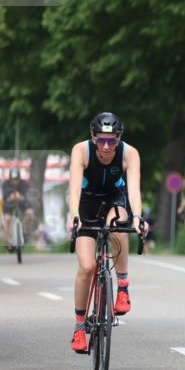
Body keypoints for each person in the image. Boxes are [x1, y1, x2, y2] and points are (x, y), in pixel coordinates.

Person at [65, 112, 147, 354]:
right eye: (101, 140)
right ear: (93, 138)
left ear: (119, 139)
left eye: (112, 141)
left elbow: (133, 191)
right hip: (86, 204)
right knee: (88, 267)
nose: (107, 146)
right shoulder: (80, 151)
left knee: (119, 225)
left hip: (114, 199)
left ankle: (122, 288)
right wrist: (73, 215)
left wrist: (139, 218)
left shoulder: (130, 154)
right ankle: (80, 327)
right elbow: (74, 186)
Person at [1, 169, 36, 250]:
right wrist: (11, 197)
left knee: (30, 214)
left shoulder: (24, 183)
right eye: (13, 180)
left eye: (16, 179)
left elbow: (25, 195)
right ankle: (9, 241)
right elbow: (6, 196)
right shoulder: (5, 184)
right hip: (9, 203)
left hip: (22, 202)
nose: (15, 181)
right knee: (7, 219)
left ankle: (26, 232)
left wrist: (19, 197)